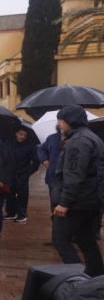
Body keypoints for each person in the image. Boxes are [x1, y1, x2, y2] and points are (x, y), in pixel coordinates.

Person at [51, 105, 104, 277]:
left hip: (78, 203)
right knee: (87, 241)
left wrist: (64, 203)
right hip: (89, 201)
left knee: (60, 239)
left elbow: (73, 176)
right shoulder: (90, 137)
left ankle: (78, 279)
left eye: (61, 119)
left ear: (70, 121)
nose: (59, 124)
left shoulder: (79, 141)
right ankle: (96, 280)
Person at [4, 127, 41, 222]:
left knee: (22, 194)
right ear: (16, 133)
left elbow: (36, 161)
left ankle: (21, 214)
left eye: (25, 135)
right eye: (21, 134)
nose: (23, 137)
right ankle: (10, 213)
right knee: (9, 194)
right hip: (10, 173)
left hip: (23, 174)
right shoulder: (8, 143)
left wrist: (29, 172)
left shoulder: (31, 145)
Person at [38, 126, 63, 197]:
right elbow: (41, 149)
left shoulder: (76, 139)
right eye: (59, 120)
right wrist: (44, 160)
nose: (59, 123)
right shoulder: (51, 138)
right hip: (53, 178)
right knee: (54, 203)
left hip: (68, 179)